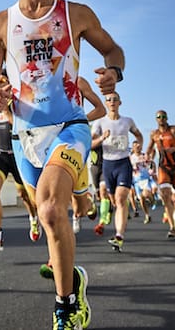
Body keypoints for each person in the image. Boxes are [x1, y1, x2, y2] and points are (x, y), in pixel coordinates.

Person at [0, 0, 125, 329]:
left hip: (69, 126)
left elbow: (113, 50)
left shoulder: (74, 13)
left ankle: (65, 306)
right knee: (47, 217)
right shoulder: (1, 23)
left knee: (49, 208)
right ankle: (72, 276)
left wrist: (114, 71)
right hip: (25, 137)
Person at [0, 70, 41, 252]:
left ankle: (34, 218)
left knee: (25, 196)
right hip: (0, 153)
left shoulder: (19, 101)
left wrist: (7, 111)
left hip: (18, 153)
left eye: (2, 81)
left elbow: (23, 125)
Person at [90, 92, 143, 251]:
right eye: (109, 100)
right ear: (106, 104)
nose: (112, 102)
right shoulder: (99, 123)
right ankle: (119, 220)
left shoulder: (127, 121)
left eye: (115, 99)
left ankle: (119, 235)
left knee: (120, 200)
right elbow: (91, 143)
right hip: (107, 164)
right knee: (114, 201)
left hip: (123, 163)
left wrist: (139, 145)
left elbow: (138, 135)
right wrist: (101, 139)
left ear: (120, 102)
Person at [145, 110, 175, 238]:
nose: (161, 119)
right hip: (163, 167)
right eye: (158, 117)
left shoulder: (174, 129)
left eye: (163, 116)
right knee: (165, 195)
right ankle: (172, 227)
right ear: (156, 119)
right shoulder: (154, 134)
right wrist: (147, 155)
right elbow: (149, 147)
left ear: (167, 118)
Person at [71, 76, 107, 234]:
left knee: (76, 193)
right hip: (48, 140)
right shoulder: (40, 80)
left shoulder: (78, 81)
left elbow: (101, 109)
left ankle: (85, 205)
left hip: (74, 138)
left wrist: (80, 120)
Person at [129, 141, 154, 224]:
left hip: (145, 180)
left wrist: (152, 170)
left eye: (138, 146)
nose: (137, 147)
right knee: (141, 200)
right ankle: (147, 215)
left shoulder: (145, 156)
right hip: (136, 181)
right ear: (132, 148)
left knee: (146, 194)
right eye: (135, 146)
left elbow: (152, 163)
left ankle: (152, 200)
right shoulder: (130, 158)